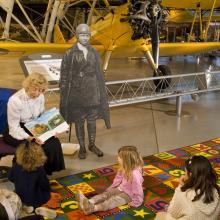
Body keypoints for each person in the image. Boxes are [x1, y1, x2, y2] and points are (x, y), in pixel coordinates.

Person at [60, 23, 111, 159]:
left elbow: (99, 72)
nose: (84, 38)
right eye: (82, 35)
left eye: (87, 35)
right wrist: (64, 92)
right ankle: (82, 146)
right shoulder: (69, 53)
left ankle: (92, 144)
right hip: (77, 92)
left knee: (92, 120)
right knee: (79, 120)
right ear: (77, 36)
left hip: (92, 90)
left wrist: (101, 90)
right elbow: (64, 75)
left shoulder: (94, 52)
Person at [3, 72, 65, 175]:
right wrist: (31, 138)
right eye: (35, 89)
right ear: (27, 87)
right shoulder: (15, 100)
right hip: (17, 130)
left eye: (41, 90)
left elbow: (41, 116)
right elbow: (14, 128)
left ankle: (45, 172)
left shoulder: (40, 96)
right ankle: (32, 174)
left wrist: (52, 129)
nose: (37, 93)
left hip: (34, 125)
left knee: (54, 142)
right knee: (37, 146)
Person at [76, 146, 144, 215]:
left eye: (119, 157)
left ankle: (93, 208)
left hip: (130, 195)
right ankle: (89, 202)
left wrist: (136, 202)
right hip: (122, 188)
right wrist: (112, 187)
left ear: (126, 160)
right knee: (106, 194)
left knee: (112, 201)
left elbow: (138, 190)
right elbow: (118, 178)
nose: (117, 158)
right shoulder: (124, 167)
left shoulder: (135, 174)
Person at [155, 155, 220, 220]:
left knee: (160, 215)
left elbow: (172, 212)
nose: (184, 175)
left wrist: (180, 188)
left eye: (185, 173)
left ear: (191, 175)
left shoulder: (184, 196)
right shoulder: (215, 191)